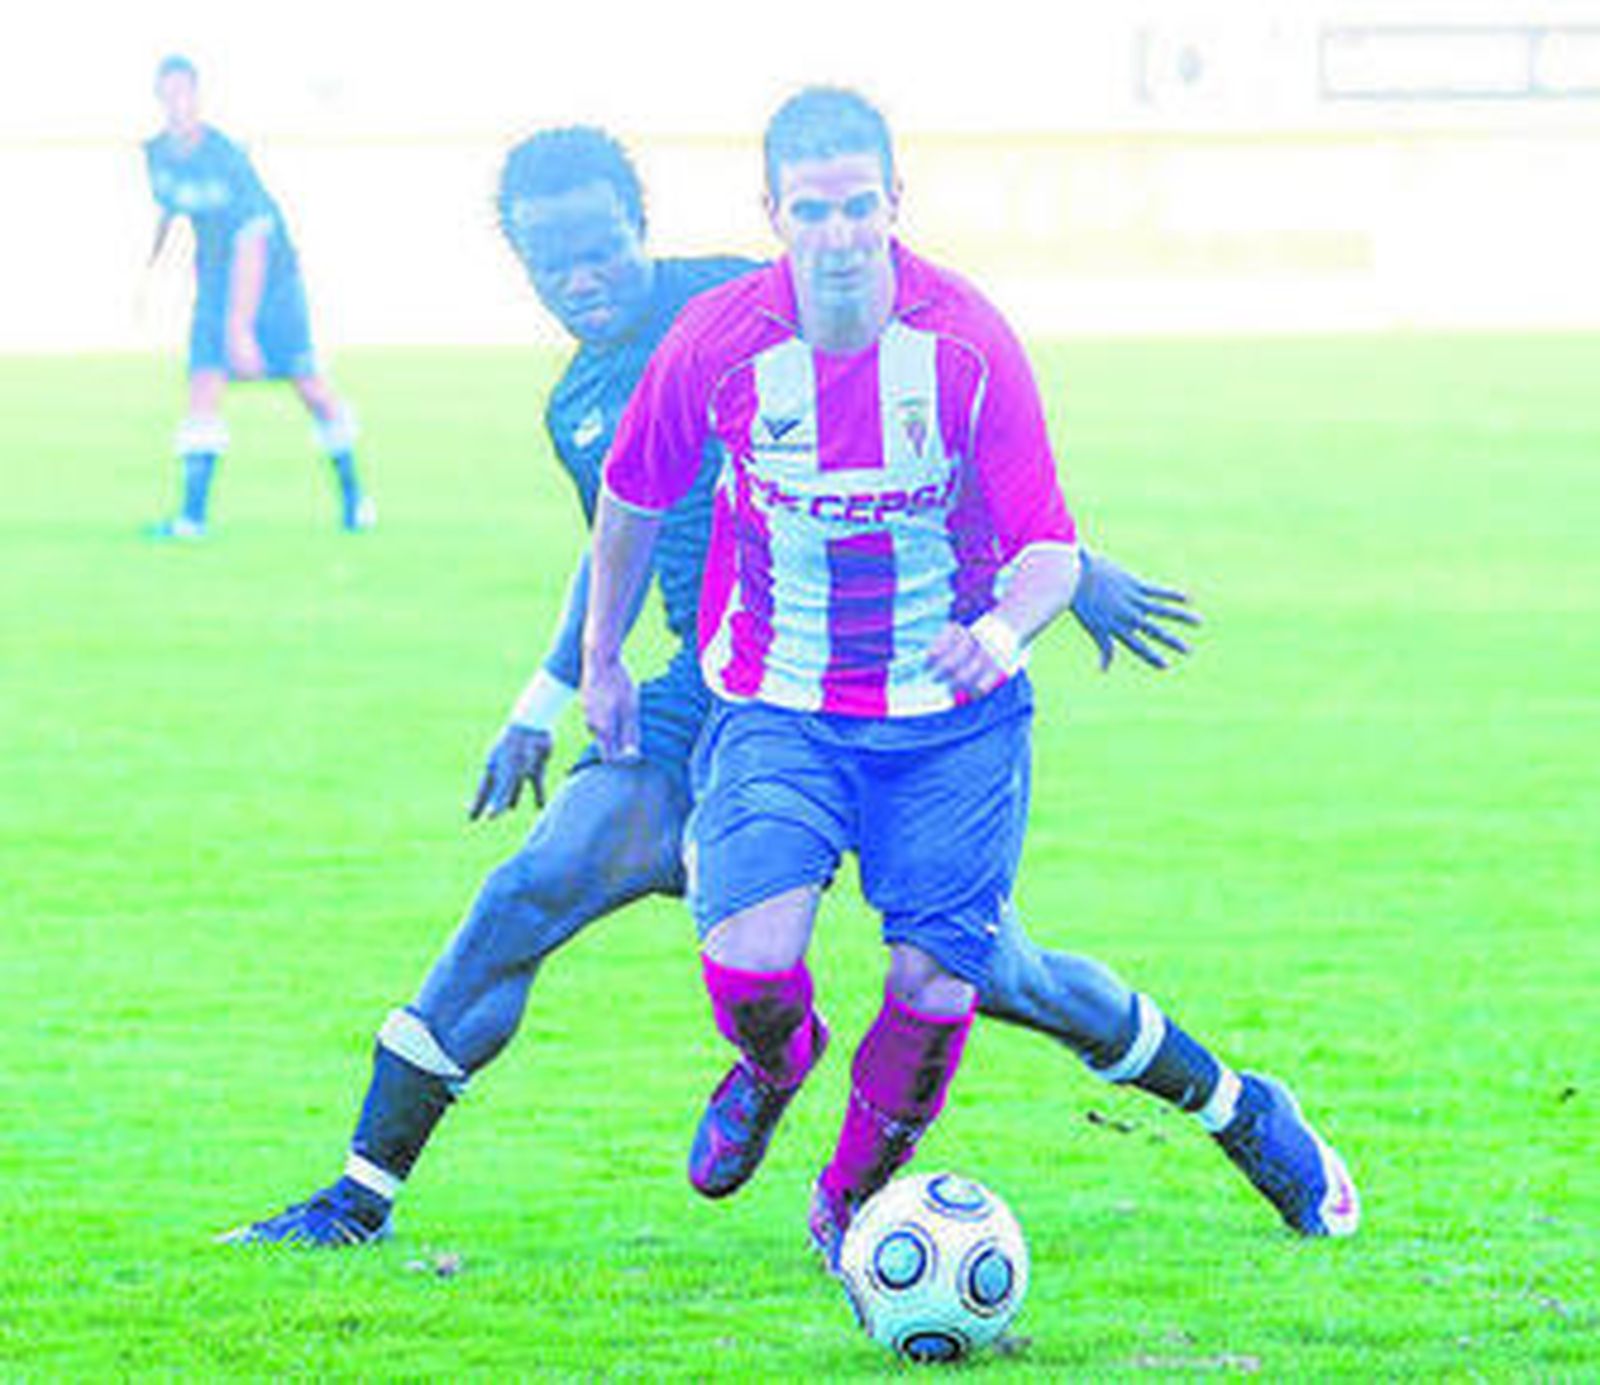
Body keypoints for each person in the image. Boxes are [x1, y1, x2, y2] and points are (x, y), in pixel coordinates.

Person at [221, 123, 1342, 1252]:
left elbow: (944, 438)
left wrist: (1072, 576)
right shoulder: (575, 404)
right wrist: (547, 693)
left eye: (600, 247)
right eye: (550, 260)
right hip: (711, 695)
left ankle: (1240, 1106)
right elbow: (624, 527)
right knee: (531, 888)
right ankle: (359, 1196)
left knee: (993, 973)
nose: (582, 277)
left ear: (640, 225)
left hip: (891, 692)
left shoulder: (745, 301)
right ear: (520, 262)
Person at [579, 89, 1359, 1267]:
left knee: (952, 984)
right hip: (779, 706)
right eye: (810, 210)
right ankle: (772, 1063)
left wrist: (1000, 628)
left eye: (857, 207)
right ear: (772, 214)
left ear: (893, 204)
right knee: (753, 961)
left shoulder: (967, 340)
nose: (837, 233)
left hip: (948, 728)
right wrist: (596, 662)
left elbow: (1049, 542)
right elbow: (632, 494)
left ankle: (858, 1202)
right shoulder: (720, 341)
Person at [142, 54, 373, 539]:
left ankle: (356, 499)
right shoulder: (157, 153)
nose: (177, 104)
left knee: (309, 386)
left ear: (197, 95)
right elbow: (170, 208)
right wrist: (151, 270)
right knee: (203, 385)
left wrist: (240, 327)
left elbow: (253, 240)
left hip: (271, 281)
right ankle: (191, 519)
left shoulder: (226, 155)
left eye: (185, 93)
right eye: (168, 95)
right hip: (215, 279)